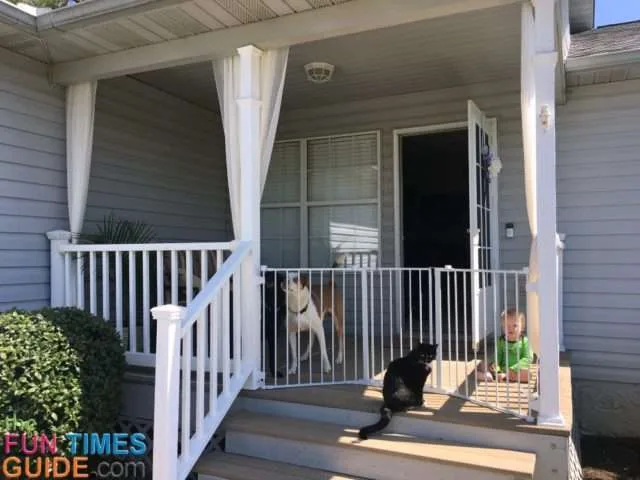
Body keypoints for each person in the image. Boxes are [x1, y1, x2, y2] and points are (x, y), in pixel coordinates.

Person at [479, 307, 533, 383]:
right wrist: (497, 368)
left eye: (515, 326)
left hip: (517, 370)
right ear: (503, 327)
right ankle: (487, 375)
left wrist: (514, 368)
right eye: (507, 326)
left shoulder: (524, 341)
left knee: (528, 375)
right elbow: (498, 356)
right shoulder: (501, 341)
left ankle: (504, 376)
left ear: (522, 328)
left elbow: (528, 358)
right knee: (484, 363)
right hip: (502, 369)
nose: (511, 329)